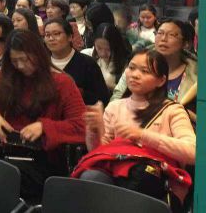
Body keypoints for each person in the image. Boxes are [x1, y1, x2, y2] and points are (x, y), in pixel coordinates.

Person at [0, 29, 86, 202]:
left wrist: (44, 127)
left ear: (38, 55)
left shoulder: (62, 83)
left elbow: (80, 126)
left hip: (43, 161)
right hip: (5, 151)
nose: (21, 66)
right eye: (15, 61)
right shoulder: (7, 78)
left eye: (25, 59)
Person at [79, 49, 195, 203]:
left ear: (161, 80)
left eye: (144, 71)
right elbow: (102, 155)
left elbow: (192, 152)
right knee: (91, 176)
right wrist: (93, 132)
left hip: (155, 181)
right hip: (117, 173)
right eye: (131, 68)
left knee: (142, 179)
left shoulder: (172, 110)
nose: (134, 75)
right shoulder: (115, 107)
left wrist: (142, 135)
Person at [111, 20, 197, 121]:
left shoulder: (197, 75)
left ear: (186, 44)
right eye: (159, 33)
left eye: (172, 35)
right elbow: (117, 97)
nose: (163, 39)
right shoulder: (138, 62)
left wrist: (187, 114)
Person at [44, 18, 110, 106]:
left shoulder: (87, 64)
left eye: (56, 34)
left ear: (70, 37)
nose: (51, 38)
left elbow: (103, 98)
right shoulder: (42, 64)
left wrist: (80, 93)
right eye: (47, 35)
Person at [81, 23, 131, 91]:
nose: (103, 54)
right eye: (99, 48)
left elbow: (127, 92)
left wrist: (107, 85)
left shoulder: (127, 62)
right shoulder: (90, 56)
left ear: (116, 46)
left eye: (108, 49)